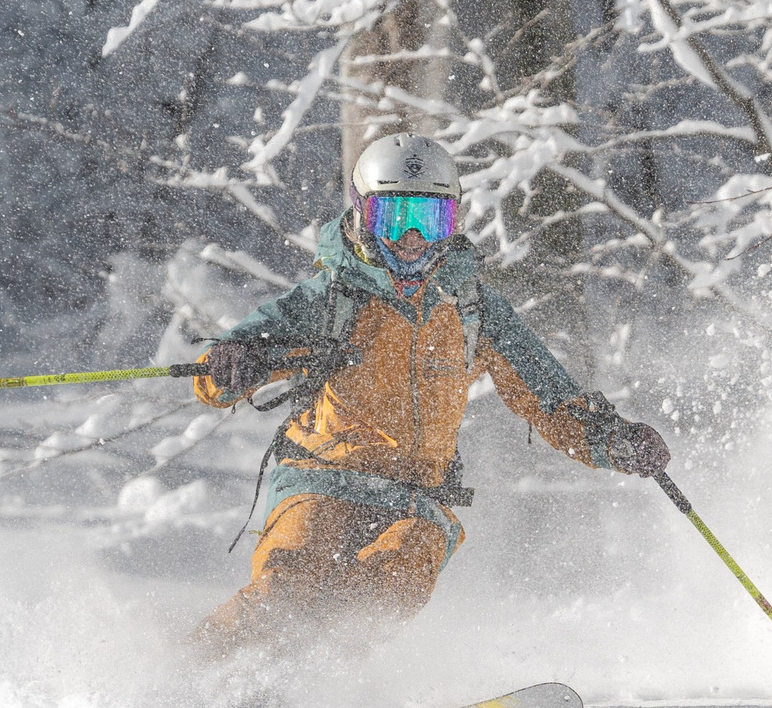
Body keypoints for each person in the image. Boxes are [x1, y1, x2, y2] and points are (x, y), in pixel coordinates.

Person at [190, 133, 669, 661]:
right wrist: (232, 364)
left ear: (454, 221)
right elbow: (221, 373)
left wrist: (611, 440)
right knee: (289, 591)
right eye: (395, 219)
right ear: (363, 216)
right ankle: (183, 672)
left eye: (430, 219)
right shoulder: (329, 300)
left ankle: (308, 684)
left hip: (416, 496)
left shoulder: (471, 308)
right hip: (321, 478)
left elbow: (549, 396)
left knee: (390, 585)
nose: (412, 238)